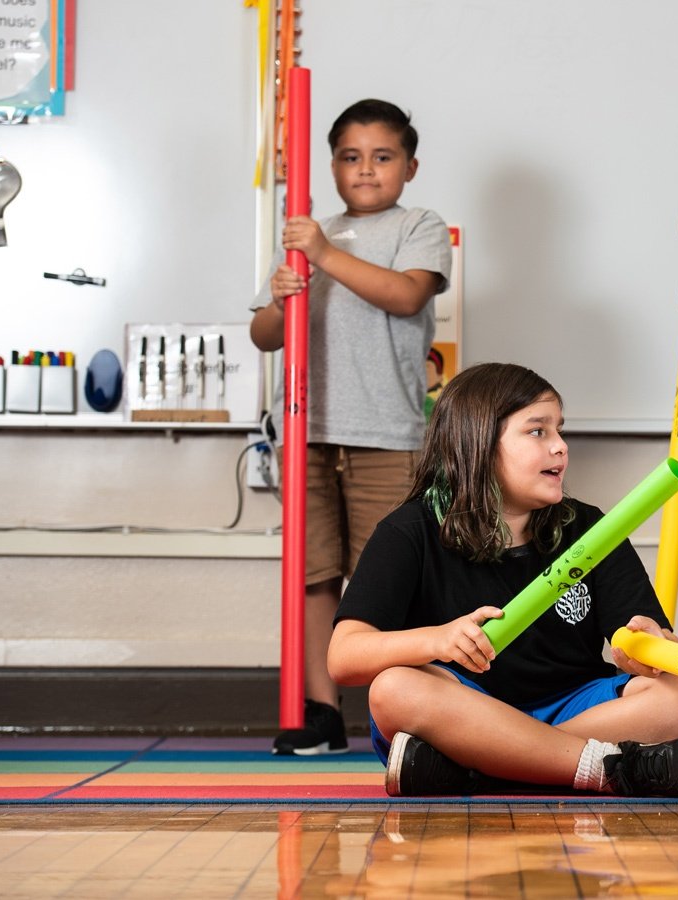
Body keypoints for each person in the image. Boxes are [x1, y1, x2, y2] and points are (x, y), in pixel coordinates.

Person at [328, 362, 678, 797]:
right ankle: (601, 768)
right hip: (462, 708)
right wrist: (437, 640)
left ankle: (487, 767)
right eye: (538, 431)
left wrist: (647, 649)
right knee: (394, 689)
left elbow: (643, 638)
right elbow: (344, 657)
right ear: (476, 441)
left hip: (574, 704)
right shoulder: (410, 530)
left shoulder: (589, 527)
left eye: (559, 430)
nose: (560, 447)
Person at [250, 99, 453, 755]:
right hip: (308, 431)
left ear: (410, 166)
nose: (365, 169)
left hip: (385, 435)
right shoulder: (310, 233)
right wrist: (284, 298)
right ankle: (318, 707)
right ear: (332, 164)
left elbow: (406, 295)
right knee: (314, 576)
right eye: (349, 156)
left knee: (388, 578)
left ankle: (400, 710)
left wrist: (325, 254)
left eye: (382, 156)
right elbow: (263, 335)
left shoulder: (417, 225)